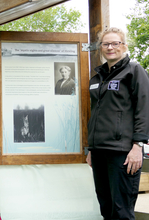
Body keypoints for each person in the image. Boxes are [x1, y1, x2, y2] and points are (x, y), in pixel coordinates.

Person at [86, 27, 149, 220]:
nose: (110, 47)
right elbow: (96, 114)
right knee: (106, 208)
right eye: (106, 44)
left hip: (122, 153)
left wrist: (138, 146)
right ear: (101, 48)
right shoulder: (97, 78)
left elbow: (144, 109)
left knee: (121, 211)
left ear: (124, 46)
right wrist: (91, 149)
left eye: (115, 43)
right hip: (99, 151)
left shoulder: (134, 71)